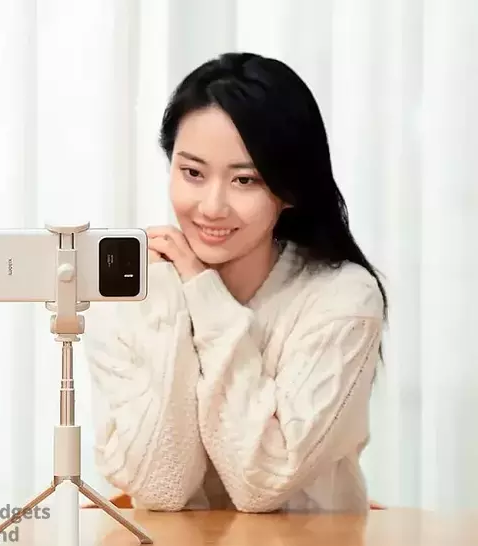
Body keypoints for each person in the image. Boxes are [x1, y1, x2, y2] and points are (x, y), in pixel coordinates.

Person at [84, 52, 388, 513]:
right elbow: (162, 487)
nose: (211, 207)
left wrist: (203, 295)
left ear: (290, 189)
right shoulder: (134, 293)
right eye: (192, 173)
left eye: (245, 180)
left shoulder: (341, 298)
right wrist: (171, 301)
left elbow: (262, 482)